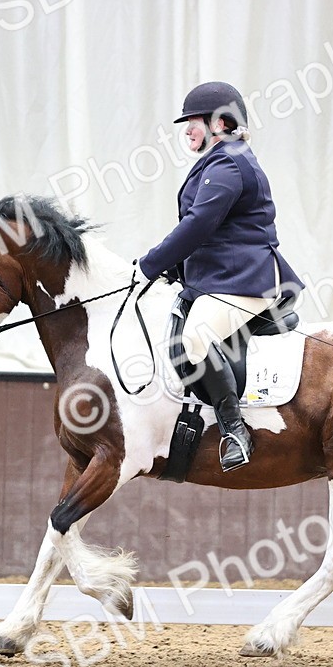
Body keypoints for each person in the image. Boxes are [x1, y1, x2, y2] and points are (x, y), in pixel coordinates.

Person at [137, 81, 304, 472]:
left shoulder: (229, 161)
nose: (187, 130)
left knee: (195, 338)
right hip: (222, 277)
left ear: (220, 122)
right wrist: (174, 269)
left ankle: (235, 431)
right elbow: (216, 233)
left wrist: (148, 265)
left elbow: (199, 224)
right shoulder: (220, 160)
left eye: (193, 121)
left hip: (245, 280)